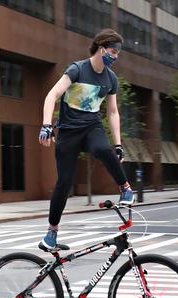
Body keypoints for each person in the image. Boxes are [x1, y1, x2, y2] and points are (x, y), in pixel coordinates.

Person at [38, 28, 134, 252]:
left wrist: (118, 144)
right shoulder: (77, 69)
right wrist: (46, 125)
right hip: (68, 131)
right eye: (113, 52)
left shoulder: (111, 79)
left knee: (103, 149)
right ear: (101, 49)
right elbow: (52, 95)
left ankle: (125, 188)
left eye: (118, 53)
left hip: (92, 126)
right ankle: (51, 234)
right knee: (64, 183)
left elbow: (112, 112)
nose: (116, 57)